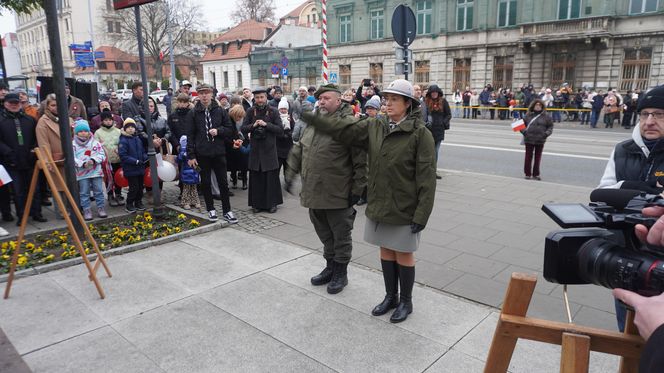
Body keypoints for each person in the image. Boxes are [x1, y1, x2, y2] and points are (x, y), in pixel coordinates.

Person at [292, 79, 436, 323]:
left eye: (394, 100)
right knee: (386, 252)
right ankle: (390, 296)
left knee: (403, 253)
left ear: (408, 104)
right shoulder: (377, 125)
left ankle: (406, 302)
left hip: (404, 205)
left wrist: (422, 214)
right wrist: (314, 119)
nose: (387, 104)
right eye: (386, 99)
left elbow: (427, 178)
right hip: (380, 203)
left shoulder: (420, 134)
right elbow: (344, 131)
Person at [285, 83, 367, 295]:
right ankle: (330, 267)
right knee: (323, 232)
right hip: (314, 190)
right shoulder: (314, 124)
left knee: (340, 234)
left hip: (337, 191)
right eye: (320, 99)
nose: (321, 102)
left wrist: (357, 190)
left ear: (339, 101)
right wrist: (290, 175)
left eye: (326, 99)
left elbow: (361, 162)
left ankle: (341, 272)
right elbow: (298, 150)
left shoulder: (348, 125)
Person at [186, 83, 238, 223]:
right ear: (198, 95)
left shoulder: (220, 111)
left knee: (223, 182)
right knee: (206, 182)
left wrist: (218, 131)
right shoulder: (193, 112)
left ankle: (227, 211)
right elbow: (190, 135)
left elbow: (229, 129)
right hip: (202, 153)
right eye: (201, 93)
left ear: (211, 94)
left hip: (218, 151)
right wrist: (191, 155)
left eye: (207, 93)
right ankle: (211, 209)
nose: (204, 96)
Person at [0, 93, 46, 224]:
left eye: (17, 103)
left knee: (34, 188)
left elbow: (37, 138)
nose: (14, 105)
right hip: (11, 162)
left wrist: (34, 150)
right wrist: (8, 153)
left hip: (30, 160)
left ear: (20, 104)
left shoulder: (29, 120)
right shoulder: (1, 121)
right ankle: (22, 216)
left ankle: (37, 213)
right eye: (11, 103)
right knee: (18, 191)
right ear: (5, 104)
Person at [241, 87, 284, 214]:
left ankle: (272, 203)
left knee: (271, 178)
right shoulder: (250, 111)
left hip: (269, 150)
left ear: (266, 97)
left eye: (262, 97)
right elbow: (243, 129)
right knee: (256, 178)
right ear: (254, 98)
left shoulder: (273, 111)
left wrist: (266, 125)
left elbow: (280, 130)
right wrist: (253, 126)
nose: (260, 100)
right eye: (257, 97)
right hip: (255, 150)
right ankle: (256, 204)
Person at [35, 93, 74, 215]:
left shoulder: (67, 118)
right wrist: (47, 161)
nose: (56, 107)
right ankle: (61, 212)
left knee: (71, 185)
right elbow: (43, 144)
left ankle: (73, 209)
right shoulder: (43, 122)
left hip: (70, 158)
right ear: (47, 106)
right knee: (59, 187)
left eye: (58, 104)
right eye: (53, 105)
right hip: (55, 159)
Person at [72, 120, 107, 220]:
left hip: (96, 171)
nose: (83, 133)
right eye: (80, 131)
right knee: (84, 192)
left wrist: (93, 160)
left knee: (99, 191)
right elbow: (72, 158)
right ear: (76, 132)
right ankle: (86, 209)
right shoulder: (73, 145)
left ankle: (101, 208)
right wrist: (82, 163)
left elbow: (101, 155)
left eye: (85, 131)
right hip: (82, 173)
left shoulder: (95, 143)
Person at [421, 84, 451, 180]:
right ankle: (427, 170)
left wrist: (443, 122)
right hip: (428, 129)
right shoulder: (425, 102)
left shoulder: (443, 101)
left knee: (435, 151)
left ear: (438, 93)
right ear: (430, 93)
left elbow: (448, 114)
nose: (434, 94)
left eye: (435, 92)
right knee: (428, 151)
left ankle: (433, 171)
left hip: (439, 130)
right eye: (432, 93)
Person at [94, 111, 123, 207]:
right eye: (106, 120)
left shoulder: (118, 131)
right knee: (109, 179)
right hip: (106, 161)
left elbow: (122, 143)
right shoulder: (98, 133)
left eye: (110, 120)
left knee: (118, 176)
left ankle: (119, 194)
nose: (108, 122)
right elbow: (96, 146)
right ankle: (110, 195)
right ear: (102, 121)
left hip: (117, 159)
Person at [119, 118, 148, 213]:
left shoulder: (137, 139)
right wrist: (135, 161)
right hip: (130, 168)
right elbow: (123, 156)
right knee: (133, 187)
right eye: (128, 127)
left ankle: (138, 202)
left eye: (132, 127)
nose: (131, 129)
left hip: (140, 167)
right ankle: (129, 203)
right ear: (125, 129)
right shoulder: (123, 140)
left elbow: (142, 150)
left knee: (140, 187)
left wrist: (144, 157)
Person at [520, 99, 553, 180]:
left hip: (540, 140)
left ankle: (536, 174)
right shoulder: (528, 115)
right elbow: (520, 125)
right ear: (533, 106)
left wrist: (546, 134)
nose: (538, 107)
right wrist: (525, 132)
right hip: (529, 139)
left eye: (539, 105)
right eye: (536, 105)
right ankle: (527, 174)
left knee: (538, 158)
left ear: (542, 106)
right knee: (528, 157)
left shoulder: (546, 116)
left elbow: (550, 127)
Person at [227, 104, 248, 190]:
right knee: (233, 165)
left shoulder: (233, 120)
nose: (239, 119)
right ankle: (235, 181)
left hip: (239, 143)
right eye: (239, 117)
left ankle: (244, 181)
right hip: (233, 144)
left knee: (243, 164)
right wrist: (234, 141)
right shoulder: (229, 121)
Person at [177, 135, 200, 209]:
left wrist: (199, 172)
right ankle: (185, 202)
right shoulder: (182, 152)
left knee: (194, 188)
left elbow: (196, 163)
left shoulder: (194, 150)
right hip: (186, 172)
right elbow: (179, 160)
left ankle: (195, 201)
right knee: (186, 188)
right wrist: (182, 154)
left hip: (194, 171)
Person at [276, 97, 293, 177]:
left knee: (287, 165)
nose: (283, 110)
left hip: (288, 145)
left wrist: (289, 134)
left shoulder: (290, 118)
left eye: (285, 109)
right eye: (281, 109)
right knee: (277, 166)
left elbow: (294, 129)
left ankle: (287, 180)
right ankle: (276, 181)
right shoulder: (276, 118)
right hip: (278, 145)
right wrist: (281, 134)